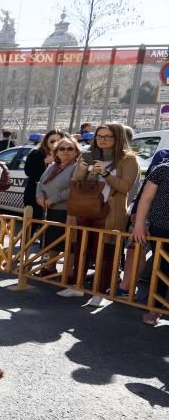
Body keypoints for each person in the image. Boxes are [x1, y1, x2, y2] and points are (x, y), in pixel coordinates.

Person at [62, 123, 138, 306]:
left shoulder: (128, 160)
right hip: (86, 208)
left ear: (118, 138)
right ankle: (77, 286)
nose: (102, 140)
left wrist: (104, 172)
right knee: (82, 247)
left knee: (105, 253)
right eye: (99, 136)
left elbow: (125, 187)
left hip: (110, 212)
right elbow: (75, 181)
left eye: (107, 137)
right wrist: (81, 169)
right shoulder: (89, 155)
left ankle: (101, 291)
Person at [36, 136, 79, 277]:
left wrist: (53, 199)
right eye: (62, 148)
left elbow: (74, 189)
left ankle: (68, 273)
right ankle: (50, 268)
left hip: (67, 211)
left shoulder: (77, 167)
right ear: (56, 151)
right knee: (51, 241)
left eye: (70, 148)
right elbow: (40, 184)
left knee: (68, 244)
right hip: (49, 210)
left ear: (76, 151)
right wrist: (40, 197)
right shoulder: (52, 167)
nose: (65, 151)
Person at [132, 163, 169, 325]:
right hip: (162, 228)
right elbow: (146, 198)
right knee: (162, 269)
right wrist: (140, 224)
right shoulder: (163, 169)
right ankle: (155, 309)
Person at [23, 130, 67, 222]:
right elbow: (28, 171)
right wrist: (44, 162)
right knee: (31, 225)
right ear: (46, 142)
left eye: (58, 141)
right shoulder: (36, 154)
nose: (55, 143)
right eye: (52, 141)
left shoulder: (66, 155)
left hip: (57, 199)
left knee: (51, 228)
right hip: (35, 196)